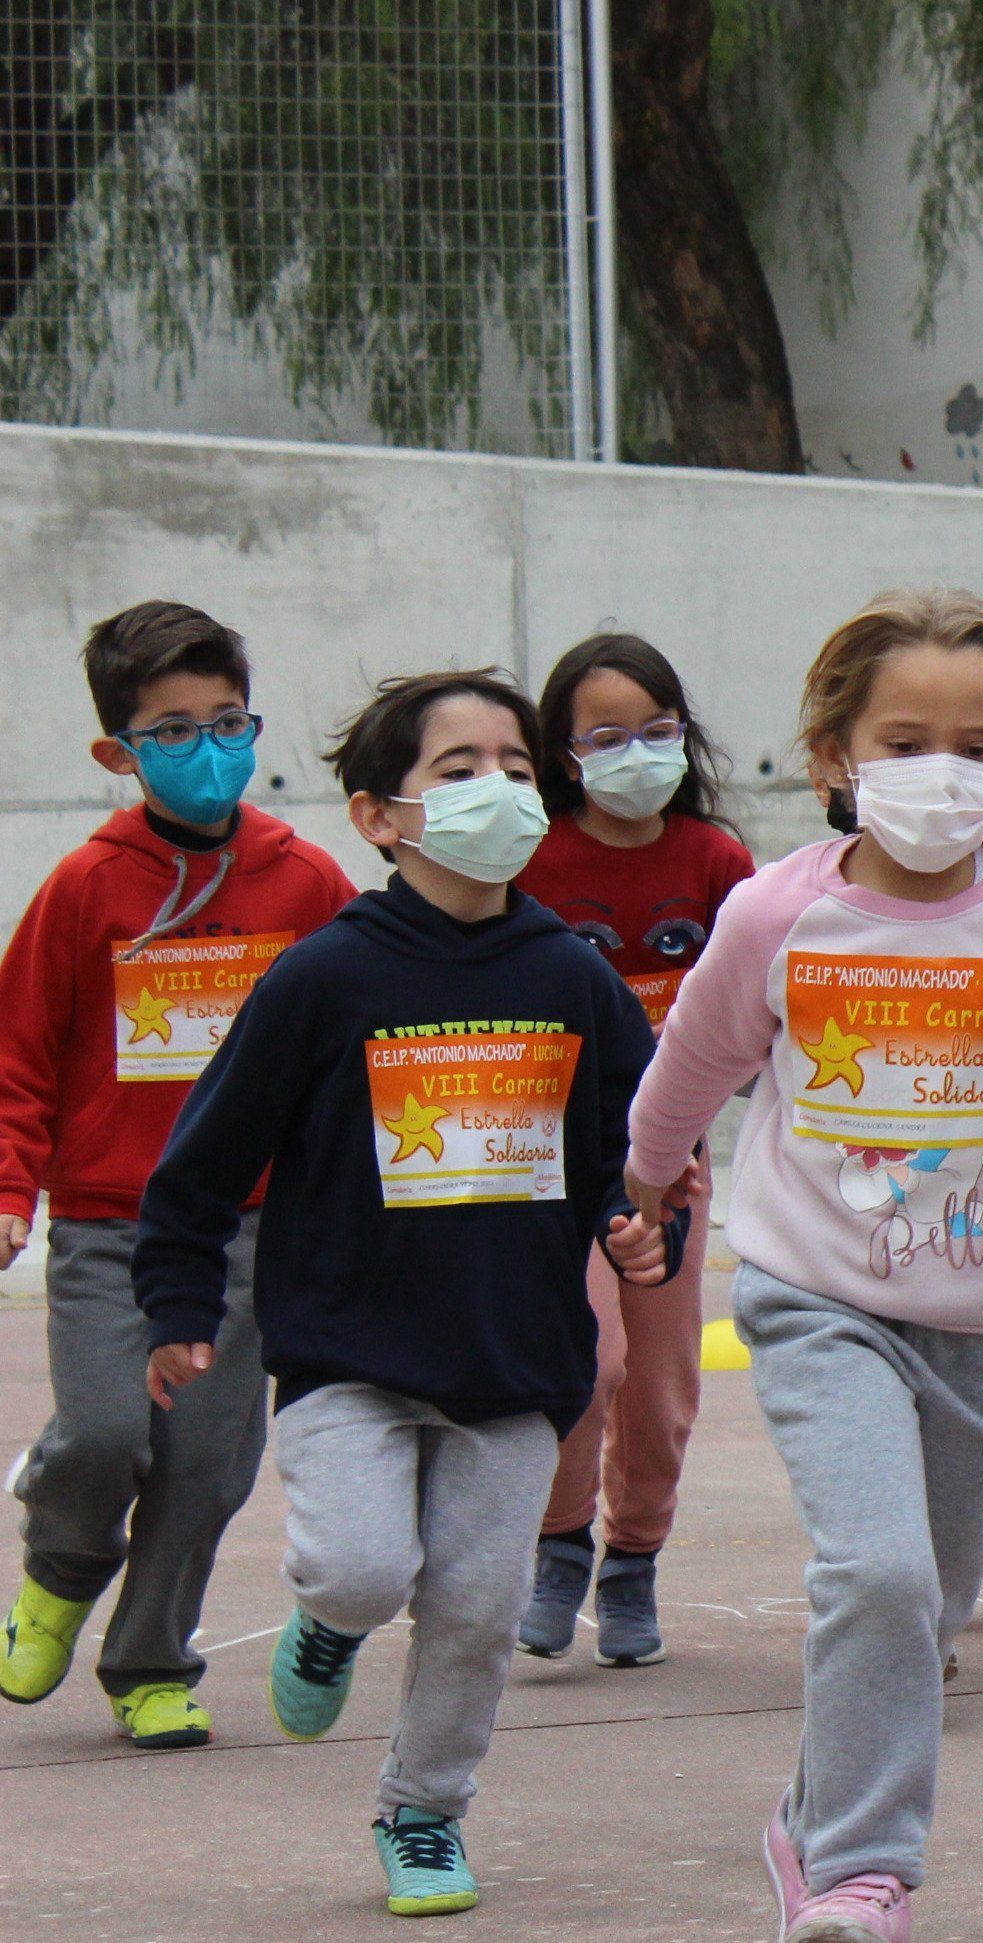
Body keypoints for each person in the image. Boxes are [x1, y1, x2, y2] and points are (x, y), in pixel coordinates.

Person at [622, 589, 983, 1943]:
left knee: (928, 1600)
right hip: (819, 1291)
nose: (940, 769)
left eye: (975, 740)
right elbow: (697, 1063)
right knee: (877, 1576)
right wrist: (643, 1179)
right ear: (834, 752)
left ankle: (810, 1812)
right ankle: (858, 1870)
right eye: (903, 738)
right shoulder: (778, 911)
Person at [131, 669, 674, 1918]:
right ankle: (327, 1623)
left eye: (518, 765)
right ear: (381, 815)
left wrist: (642, 1226)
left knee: (479, 1610)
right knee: (363, 1567)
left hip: (513, 1366)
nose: (499, 788)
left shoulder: (572, 976)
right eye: (459, 768)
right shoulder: (325, 976)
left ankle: (423, 1811)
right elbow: (205, 1160)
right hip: (347, 1357)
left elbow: (625, 1151)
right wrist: (176, 1308)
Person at [0, 601, 354, 1752]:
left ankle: (149, 1660)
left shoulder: (305, 883)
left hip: (249, 1230)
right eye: (172, 729)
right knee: (105, 1433)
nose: (207, 746)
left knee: (206, 1462)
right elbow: (18, 1051)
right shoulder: (83, 888)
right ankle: (60, 1561)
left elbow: (354, 1047)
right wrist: (10, 1187)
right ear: (119, 753)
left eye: (227, 720)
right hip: (111, 1221)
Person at [513, 631, 756, 1670]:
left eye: (656, 732)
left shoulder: (714, 861)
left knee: (658, 1384)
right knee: (586, 1358)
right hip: (550, 1163)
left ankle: (633, 1559)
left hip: (670, 1165)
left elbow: (760, 1007)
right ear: (564, 754)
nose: (636, 754)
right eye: (607, 737)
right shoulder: (529, 855)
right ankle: (560, 1540)